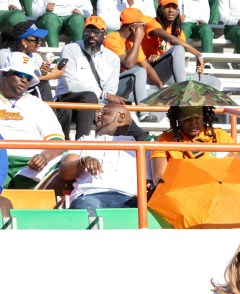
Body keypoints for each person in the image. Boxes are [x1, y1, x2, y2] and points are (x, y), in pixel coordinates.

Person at [54, 16, 128, 140]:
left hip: (96, 106)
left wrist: (99, 106)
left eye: (96, 32)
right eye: (88, 31)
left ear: (104, 34)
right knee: (89, 96)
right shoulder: (71, 49)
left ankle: (141, 140)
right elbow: (71, 84)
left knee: (122, 112)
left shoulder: (113, 59)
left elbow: (110, 90)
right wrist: (102, 96)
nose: (91, 35)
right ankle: (81, 143)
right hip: (68, 100)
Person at [58, 102, 137, 213]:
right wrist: (83, 161)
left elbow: (148, 182)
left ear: (121, 117)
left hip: (128, 198)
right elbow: (64, 172)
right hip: (90, 195)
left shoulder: (140, 147)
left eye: (103, 112)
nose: (97, 116)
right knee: (86, 209)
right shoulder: (85, 140)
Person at [0, 52, 64, 188]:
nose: (24, 80)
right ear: (5, 74)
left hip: (31, 166)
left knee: (70, 160)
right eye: (20, 74)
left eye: (28, 77)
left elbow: (57, 141)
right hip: (1, 159)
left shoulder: (38, 104)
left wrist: (45, 157)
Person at [151, 105, 236, 184]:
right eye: (187, 119)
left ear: (203, 116)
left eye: (196, 117)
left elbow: (239, 170)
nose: (193, 123)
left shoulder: (220, 136)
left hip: (217, 189)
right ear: (179, 120)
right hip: (181, 190)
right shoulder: (165, 140)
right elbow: (159, 177)